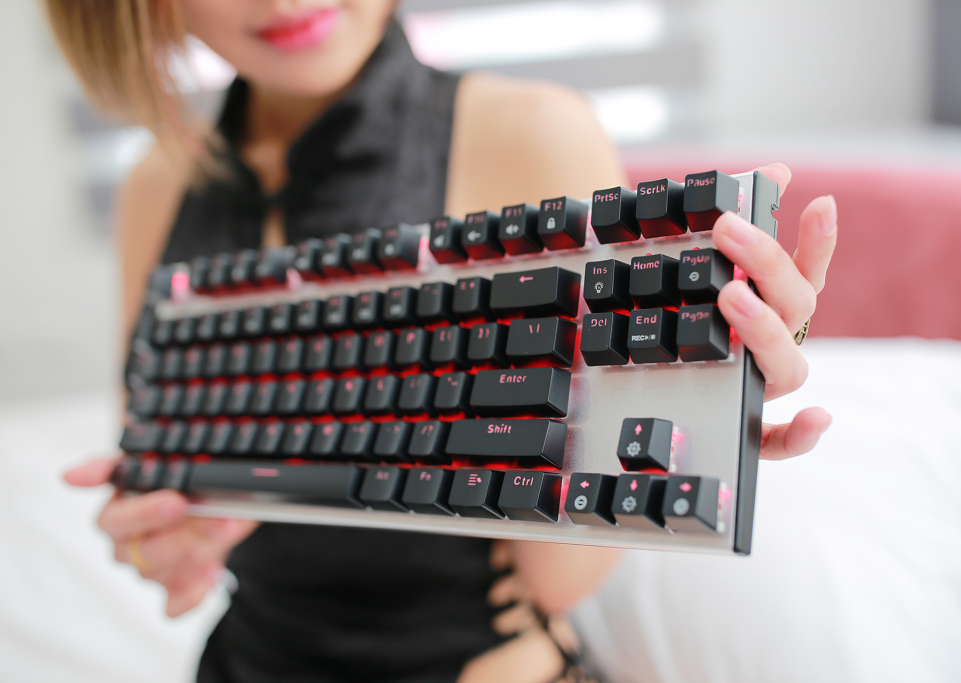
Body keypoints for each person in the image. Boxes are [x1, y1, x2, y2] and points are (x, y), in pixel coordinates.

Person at [46, 1, 838, 681]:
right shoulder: (157, 184)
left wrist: (703, 372)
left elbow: (558, 576)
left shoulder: (532, 132)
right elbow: (158, 473)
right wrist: (163, 536)